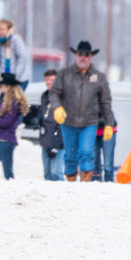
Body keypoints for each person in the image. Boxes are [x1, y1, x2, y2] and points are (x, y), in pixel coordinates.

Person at [51, 40, 114, 182]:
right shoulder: (64, 74)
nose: (83, 57)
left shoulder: (99, 77)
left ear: (91, 57)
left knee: (86, 153)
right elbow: (54, 93)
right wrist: (57, 107)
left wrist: (109, 123)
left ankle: (85, 184)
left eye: (86, 55)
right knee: (70, 155)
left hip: (89, 122)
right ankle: (71, 184)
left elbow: (105, 101)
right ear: (76, 55)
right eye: (80, 54)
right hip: (68, 121)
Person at [0, 73, 29, 180]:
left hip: (5, 141)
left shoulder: (14, 102)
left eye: (1, 85)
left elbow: (5, 123)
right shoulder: (4, 101)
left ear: (8, 86)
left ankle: (10, 191)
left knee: (8, 173)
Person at [36, 69, 65, 181]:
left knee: (56, 173)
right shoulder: (44, 96)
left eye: (51, 80)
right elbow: (43, 117)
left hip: (58, 140)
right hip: (46, 140)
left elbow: (63, 123)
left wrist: (56, 144)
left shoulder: (63, 97)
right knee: (47, 174)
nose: (48, 82)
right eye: (46, 80)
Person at [0, 18, 30, 89]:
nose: (1, 32)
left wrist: (15, 76)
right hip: (7, 80)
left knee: (14, 99)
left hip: (19, 80)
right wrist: (0, 78)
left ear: (9, 29)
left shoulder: (15, 39)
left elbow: (23, 57)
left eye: (3, 29)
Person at [92, 115, 118, 182]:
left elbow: (107, 109)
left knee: (108, 162)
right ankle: (95, 183)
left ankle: (109, 181)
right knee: (94, 161)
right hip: (92, 130)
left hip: (108, 128)